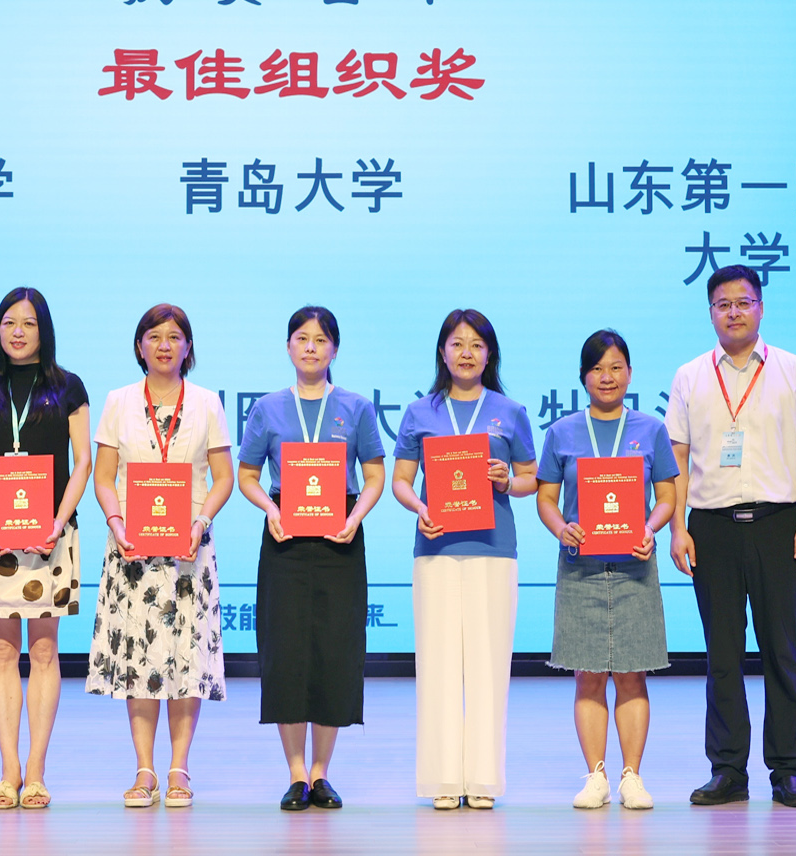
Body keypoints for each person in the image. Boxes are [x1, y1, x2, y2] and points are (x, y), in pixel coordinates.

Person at [665, 265, 796, 808]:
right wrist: (678, 528)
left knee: (782, 651)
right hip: (711, 528)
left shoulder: (791, 369)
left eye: (743, 302)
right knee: (722, 655)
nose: (733, 312)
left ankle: (788, 770)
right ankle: (728, 770)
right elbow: (677, 458)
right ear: (710, 312)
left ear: (761, 307)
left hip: (780, 525)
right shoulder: (690, 376)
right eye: (722, 304)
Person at [237, 306, 387, 812]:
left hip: (340, 536)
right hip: (285, 535)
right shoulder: (267, 409)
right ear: (288, 347)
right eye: (301, 338)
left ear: (334, 349)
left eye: (321, 340)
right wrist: (269, 508)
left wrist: (356, 516)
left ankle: (322, 772)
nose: (310, 347)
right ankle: (296, 774)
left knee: (334, 651)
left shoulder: (357, 408)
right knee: (286, 652)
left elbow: (374, 476)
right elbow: (247, 475)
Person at [86, 303, 234, 809]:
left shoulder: (207, 403)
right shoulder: (119, 401)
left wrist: (201, 521)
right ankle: (145, 768)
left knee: (187, 658)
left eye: (174, 336)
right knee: (139, 657)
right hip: (133, 548)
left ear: (188, 347)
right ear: (139, 346)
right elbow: (105, 477)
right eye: (154, 336)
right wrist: (116, 522)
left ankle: (179, 768)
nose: (164, 345)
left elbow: (223, 478)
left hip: (189, 550)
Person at [391, 309, 538, 811]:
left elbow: (531, 479)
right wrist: (419, 507)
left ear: (489, 353)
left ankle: (483, 780)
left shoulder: (510, 411)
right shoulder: (420, 412)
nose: (467, 353)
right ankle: (442, 778)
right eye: (457, 344)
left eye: (476, 344)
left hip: (493, 551)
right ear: (442, 352)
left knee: (488, 666)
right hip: (435, 549)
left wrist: (507, 481)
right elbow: (401, 481)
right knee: (436, 664)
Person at [0, 288, 91, 811]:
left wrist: (58, 520)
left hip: (51, 536)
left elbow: (82, 462)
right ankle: (8, 769)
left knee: (45, 651)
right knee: (3, 652)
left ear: (44, 330)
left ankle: (36, 770)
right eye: (9, 322)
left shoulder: (67, 387)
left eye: (29, 323)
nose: (17, 332)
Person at [535, 330, 678, 810]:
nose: (607, 377)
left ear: (630, 374)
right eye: (597, 368)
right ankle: (595, 776)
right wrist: (561, 528)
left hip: (635, 567)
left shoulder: (651, 429)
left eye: (616, 367)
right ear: (583, 377)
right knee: (588, 675)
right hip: (581, 569)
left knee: (633, 675)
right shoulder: (562, 432)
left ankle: (631, 776)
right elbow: (546, 498)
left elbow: (667, 496)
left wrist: (651, 527)